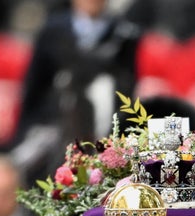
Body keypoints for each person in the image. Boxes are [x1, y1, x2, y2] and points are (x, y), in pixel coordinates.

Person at [13, 0, 140, 182]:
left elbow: (129, 88)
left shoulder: (125, 33)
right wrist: (22, 133)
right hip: (56, 124)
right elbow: (34, 88)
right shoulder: (52, 31)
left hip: (107, 126)